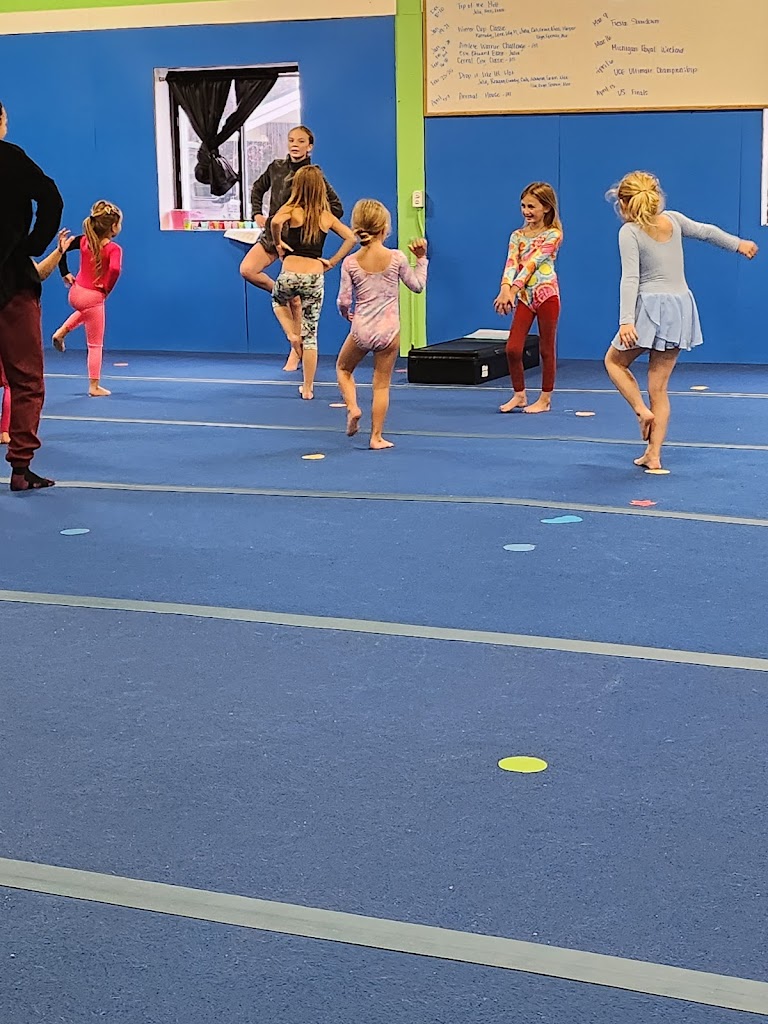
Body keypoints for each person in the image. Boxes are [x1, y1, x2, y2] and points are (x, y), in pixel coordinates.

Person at [604, 171, 758, 470]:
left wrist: (626, 321)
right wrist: (738, 243)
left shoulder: (630, 232)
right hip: (679, 307)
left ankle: (640, 410)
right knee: (659, 388)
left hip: (650, 307)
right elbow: (708, 232)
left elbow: (630, 278)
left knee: (614, 362)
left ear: (623, 204)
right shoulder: (673, 220)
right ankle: (654, 454)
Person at [240, 126, 344, 372]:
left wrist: (311, 221)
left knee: (298, 304)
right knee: (247, 269)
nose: (295, 145)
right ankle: (285, 294)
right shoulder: (276, 167)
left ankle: (295, 353)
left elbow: (336, 208)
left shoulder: (313, 175)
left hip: (298, 244)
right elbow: (257, 189)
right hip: (274, 237)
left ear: (310, 146)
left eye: (300, 141)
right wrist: (257, 213)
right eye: (291, 140)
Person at [0, 99, 63, 490]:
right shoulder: (10, 158)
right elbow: (51, 198)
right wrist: (33, 245)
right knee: (26, 380)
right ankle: (20, 468)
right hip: (10, 282)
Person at [336, 200, 428, 449]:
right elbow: (417, 286)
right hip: (389, 330)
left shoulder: (351, 262)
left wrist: (346, 313)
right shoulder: (397, 258)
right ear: (385, 228)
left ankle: (353, 407)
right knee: (381, 385)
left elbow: (344, 300)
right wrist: (421, 259)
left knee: (343, 369)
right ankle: (376, 437)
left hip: (362, 327)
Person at [270, 166, 356, 400]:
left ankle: (291, 334)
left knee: (278, 300)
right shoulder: (326, 216)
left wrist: (278, 243)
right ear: (321, 188)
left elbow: (275, 222)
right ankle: (308, 388)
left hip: (290, 271)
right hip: (314, 276)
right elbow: (351, 237)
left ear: (297, 186)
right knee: (311, 336)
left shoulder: (291, 209)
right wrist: (333, 262)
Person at [494, 182, 563, 414]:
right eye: (523, 206)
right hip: (525, 297)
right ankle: (519, 394)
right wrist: (505, 288)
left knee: (546, 349)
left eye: (532, 206)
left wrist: (512, 290)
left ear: (546, 207)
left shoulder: (553, 235)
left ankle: (545, 398)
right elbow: (511, 263)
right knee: (513, 348)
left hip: (546, 295)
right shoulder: (517, 236)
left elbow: (532, 264)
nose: (526, 211)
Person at [0, 227, 71, 447]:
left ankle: (6, 431)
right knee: (16, 381)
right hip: (9, 321)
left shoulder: (16, 251)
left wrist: (59, 252)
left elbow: (38, 273)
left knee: (11, 380)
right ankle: (6, 433)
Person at [53, 201, 123, 397]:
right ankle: (94, 386)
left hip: (75, 293)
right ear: (113, 226)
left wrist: (64, 272)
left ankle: (61, 332)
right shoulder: (114, 249)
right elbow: (115, 269)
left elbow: (62, 249)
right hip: (93, 297)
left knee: (87, 313)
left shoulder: (84, 241)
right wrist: (106, 288)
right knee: (95, 344)